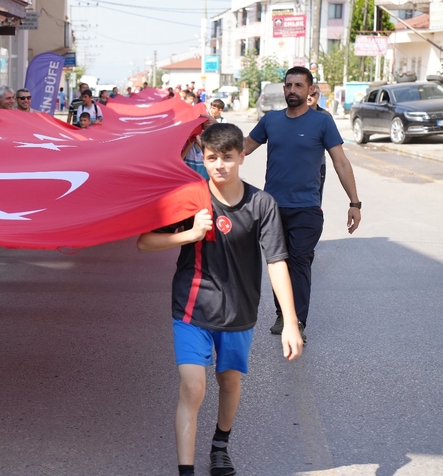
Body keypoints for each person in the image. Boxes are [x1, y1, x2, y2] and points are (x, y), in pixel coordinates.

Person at [137, 123, 303, 476]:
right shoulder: (190, 198)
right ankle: (186, 471)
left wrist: (290, 321)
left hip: (238, 311)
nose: (219, 166)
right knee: (193, 386)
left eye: (227, 157)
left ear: (242, 157)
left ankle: (220, 446)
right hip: (191, 307)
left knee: (229, 381)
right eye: (212, 158)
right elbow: (145, 241)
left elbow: (276, 261)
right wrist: (189, 234)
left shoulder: (262, 203)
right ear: (204, 157)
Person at [244, 66, 361, 342]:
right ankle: (283, 313)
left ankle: (297, 320)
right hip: (271, 208)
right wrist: (211, 143)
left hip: (307, 208)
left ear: (310, 90)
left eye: (298, 85)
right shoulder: (270, 120)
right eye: (288, 85)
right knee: (278, 262)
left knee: (299, 261)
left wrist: (354, 202)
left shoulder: (322, 123)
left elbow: (340, 162)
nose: (292, 90)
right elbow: (243, 148)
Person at [306, 89, 329, 203]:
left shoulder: (325, 117)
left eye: (312, 94)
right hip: (296, 167)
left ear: (318, 96)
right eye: (307, 94)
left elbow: (333, 146)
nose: (309, 97)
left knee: (315, 203)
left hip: (318, 167)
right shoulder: (293, 114)